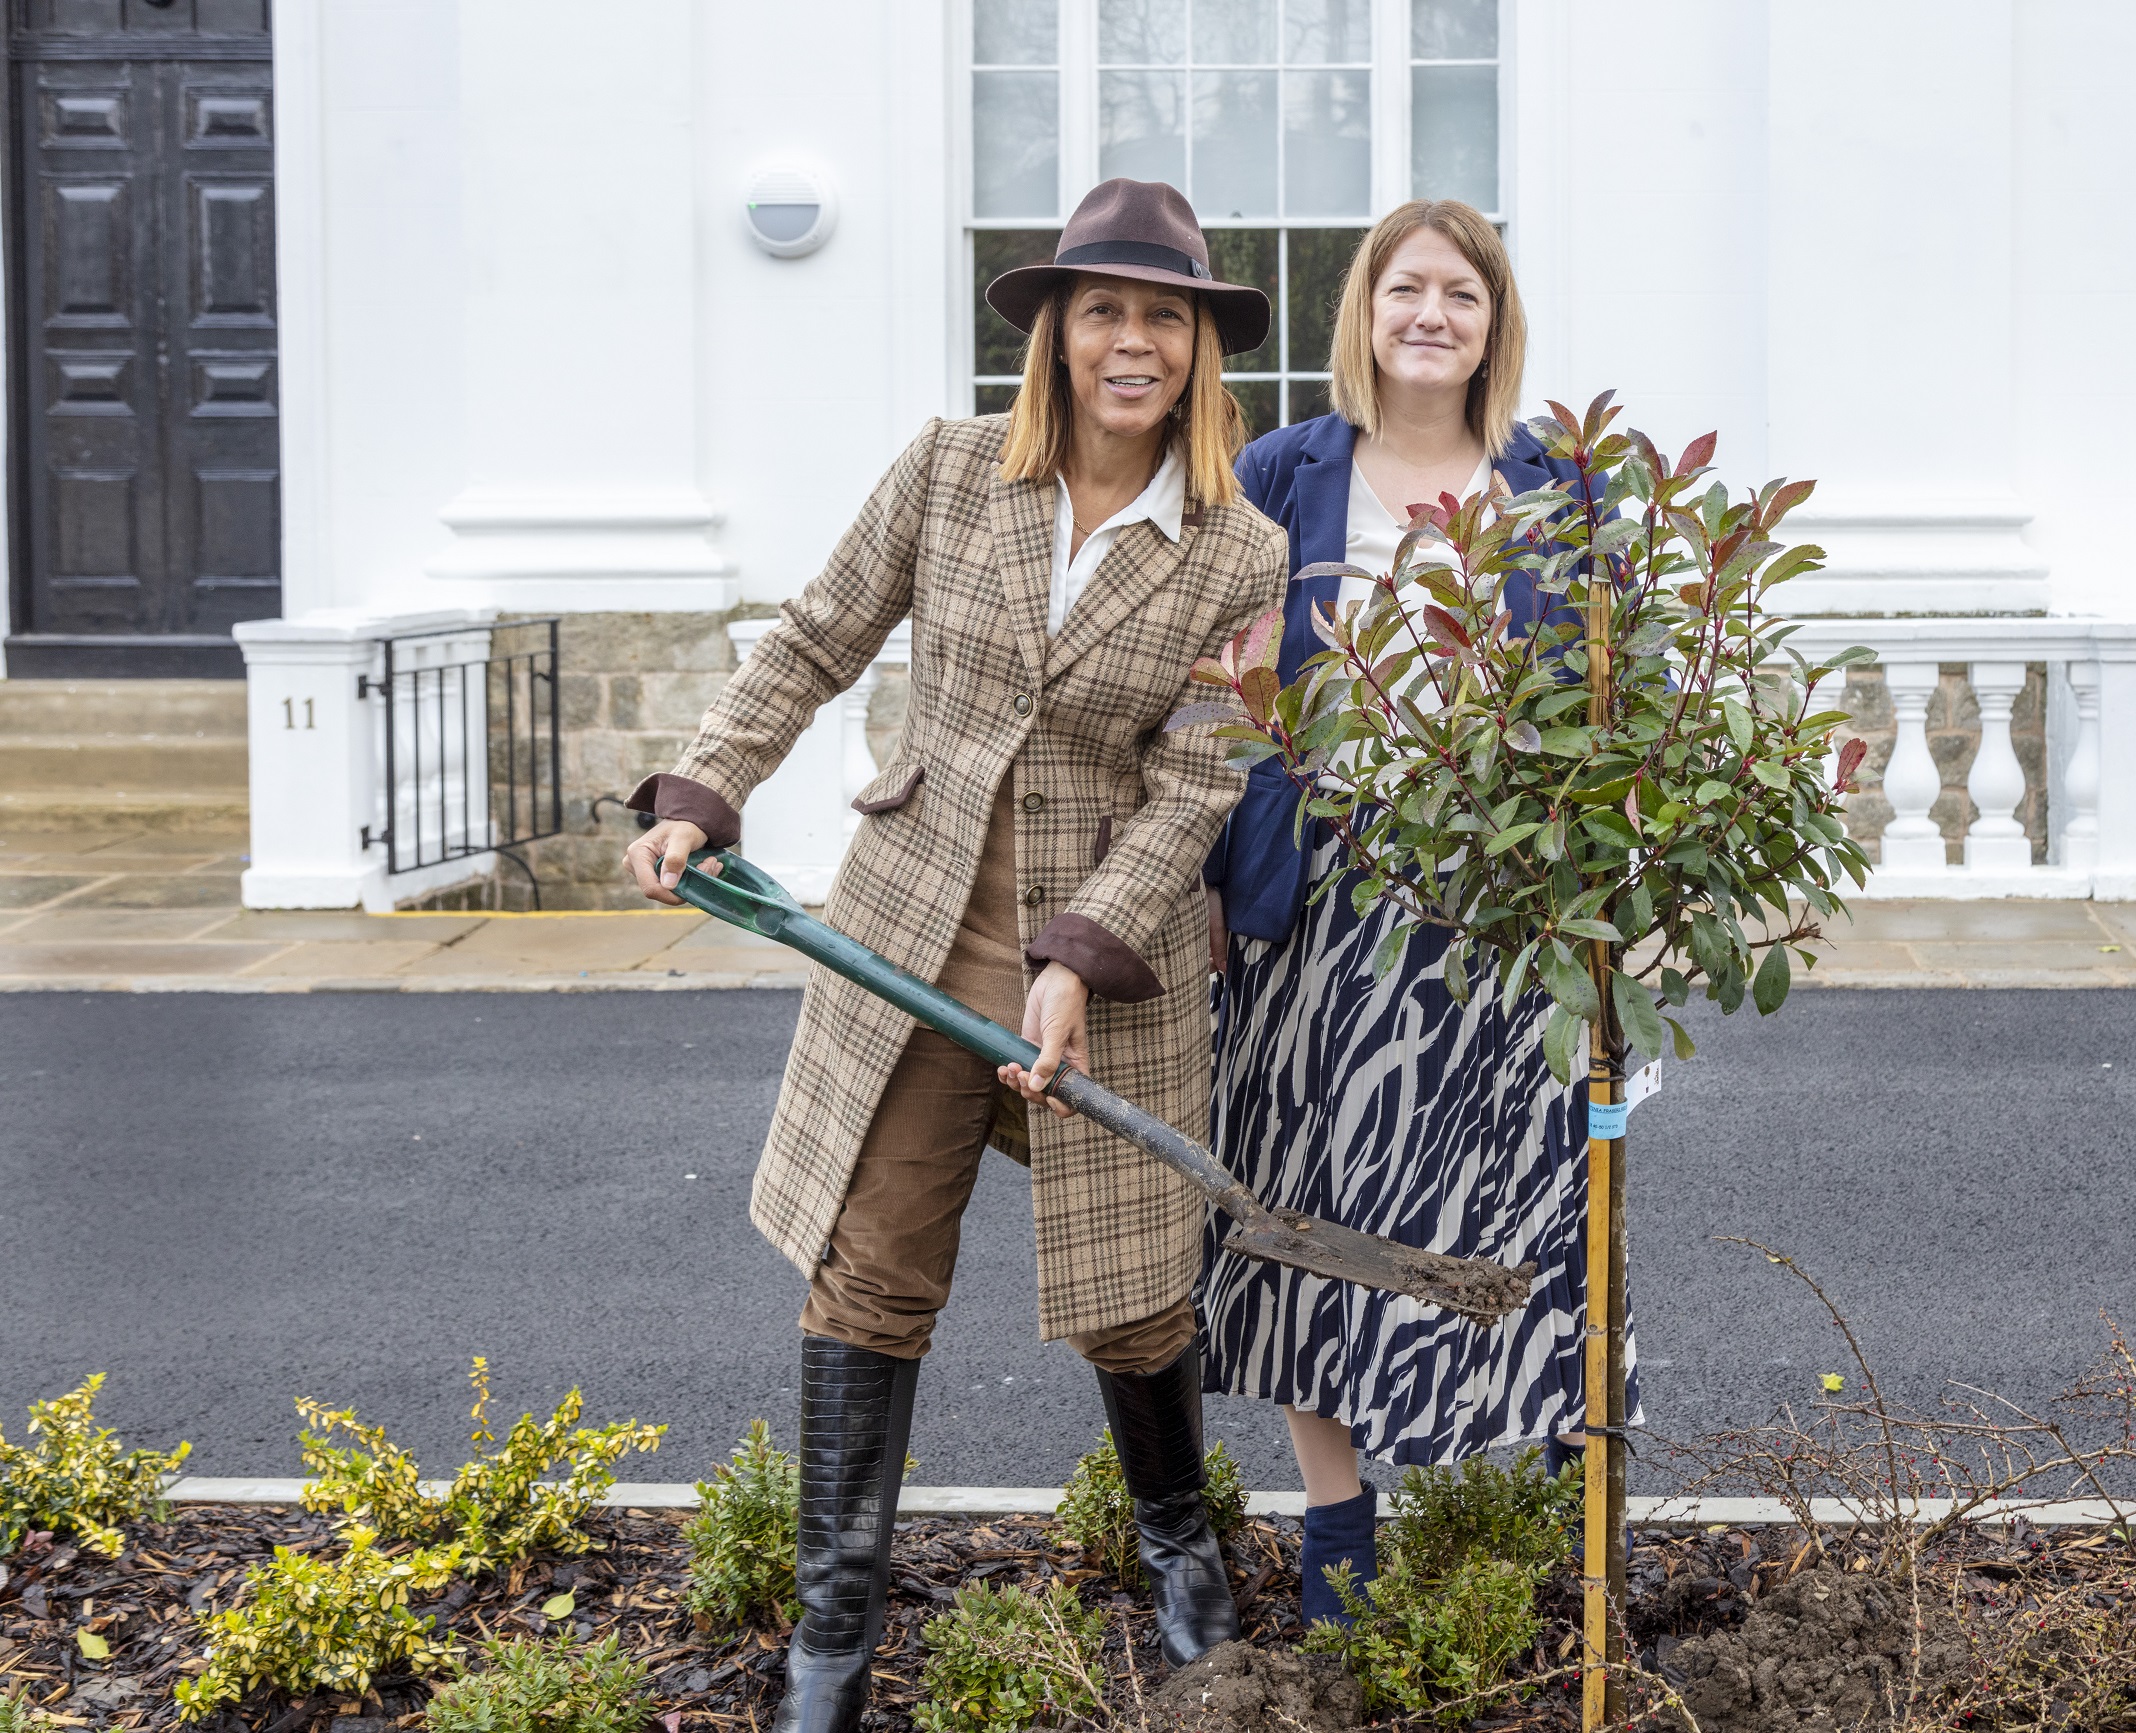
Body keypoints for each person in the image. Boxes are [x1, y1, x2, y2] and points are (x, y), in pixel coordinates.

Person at [624, 178, 1286, 1730]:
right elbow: (814, 636)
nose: (1135, 343)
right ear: (1054, 330)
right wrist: (705, 787)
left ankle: (1180, 1544)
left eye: (1165, 318)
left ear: (1198, 349)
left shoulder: (1237, 547)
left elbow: (1201, 775)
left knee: (1136, 1295)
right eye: (1106, 310)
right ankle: (832, 1635)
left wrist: (1084, 952)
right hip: (914, 929)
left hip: (1103, 959)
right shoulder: (946, 471)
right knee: (873, 1278)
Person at [1198, 201, 1640, 1628]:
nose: (1432, 312)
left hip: (1500, 903)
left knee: (1512, 1197)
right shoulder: (1280, 471)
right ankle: (1339, 1524)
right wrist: (1210, 878)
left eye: (1462, 290)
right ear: (1365, 312)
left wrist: (1612, 890)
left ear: (1495, 321)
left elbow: (1607, 711)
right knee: (1308, 1204)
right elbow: (1219, 687)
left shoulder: (1559, 488)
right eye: (1407, 288)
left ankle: (1519, 1501)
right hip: (1316, 901)